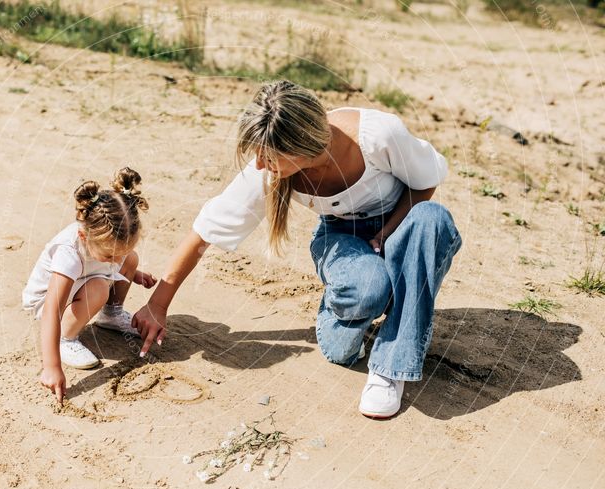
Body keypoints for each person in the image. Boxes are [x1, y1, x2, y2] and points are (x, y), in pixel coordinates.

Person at [132, 80, 462, 419]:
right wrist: (157, 304)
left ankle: (390, 368)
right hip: (340, 236)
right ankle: (366, 295)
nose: (259, 164)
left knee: (433, 220)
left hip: (402, 223)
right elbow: (206, 231)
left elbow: (425, 182)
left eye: (268, 156)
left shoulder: (379, 135)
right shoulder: (270, 173)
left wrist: (385, 235)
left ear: (302, 149)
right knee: (360, 307)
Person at [23, 167, 157, 403]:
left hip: (83, 281)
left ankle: (110, 315)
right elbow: (52, 311)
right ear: (85, 238)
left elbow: (116, 259)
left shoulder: (108, 248)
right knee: (98, 288)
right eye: (109, 257)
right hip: (48, 302)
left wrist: (134, 273)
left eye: (119, 254)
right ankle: (67, 337)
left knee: (132, 260)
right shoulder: (69, 253)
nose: (116, 261)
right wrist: (51, 366)